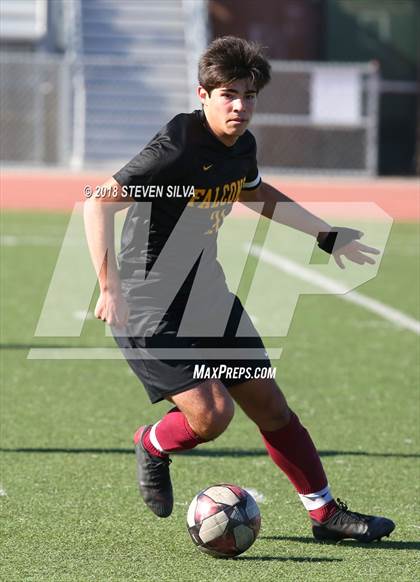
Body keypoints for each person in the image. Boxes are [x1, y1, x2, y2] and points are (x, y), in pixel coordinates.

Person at [84, 36, 395, 542]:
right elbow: (98, 201)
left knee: (270, 406)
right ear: (202, 94)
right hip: (148, 305)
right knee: (211, 416)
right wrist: (108, 284)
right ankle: (152, 441)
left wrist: (324, 233)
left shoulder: (241, 145)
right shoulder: (176, 148)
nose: (240, 106)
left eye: (249, 96)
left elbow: (256, 192)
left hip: (207, 294)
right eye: (228, 94)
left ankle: (325, 515)